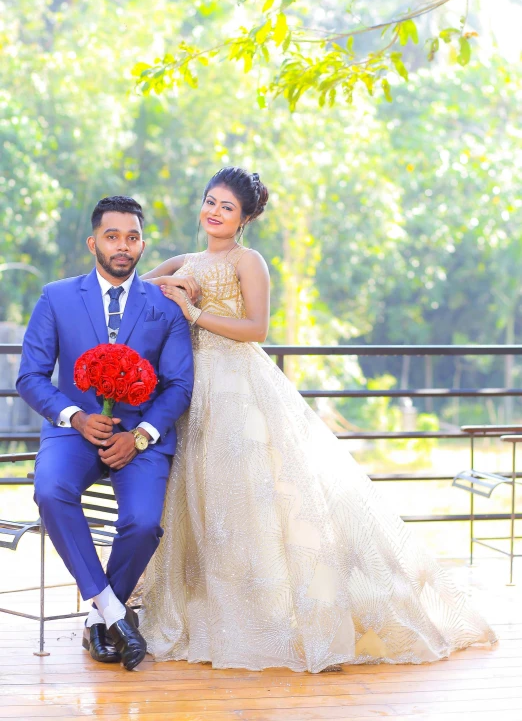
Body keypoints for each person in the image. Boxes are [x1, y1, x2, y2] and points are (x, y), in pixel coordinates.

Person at [140, 167, 496, 673]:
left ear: (244, 219)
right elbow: (138, 290)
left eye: (226, 207)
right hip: (192, 390)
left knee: (246, 498)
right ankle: (210, 613)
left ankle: (268, 615)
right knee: (200, 496)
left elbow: (255, 328)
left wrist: (194, 313)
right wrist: (175, 285)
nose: (214, 212)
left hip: (238, 388)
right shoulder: (185, 260)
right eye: (210, 201)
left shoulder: (249, 261)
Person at [16, 195, 194, 671]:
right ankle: (116, 613)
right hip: (73, 433)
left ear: (142, 244)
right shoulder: (55, 297)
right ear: (94, 241)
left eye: (132, 237)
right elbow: (30, 377)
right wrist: (74, 415)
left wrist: (140, 436)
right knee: (51, 491)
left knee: (142, 524)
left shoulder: (165, 306)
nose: (123, 246)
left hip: (139, 439)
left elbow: (179, 384)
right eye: (113, 236)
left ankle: (97, 619)